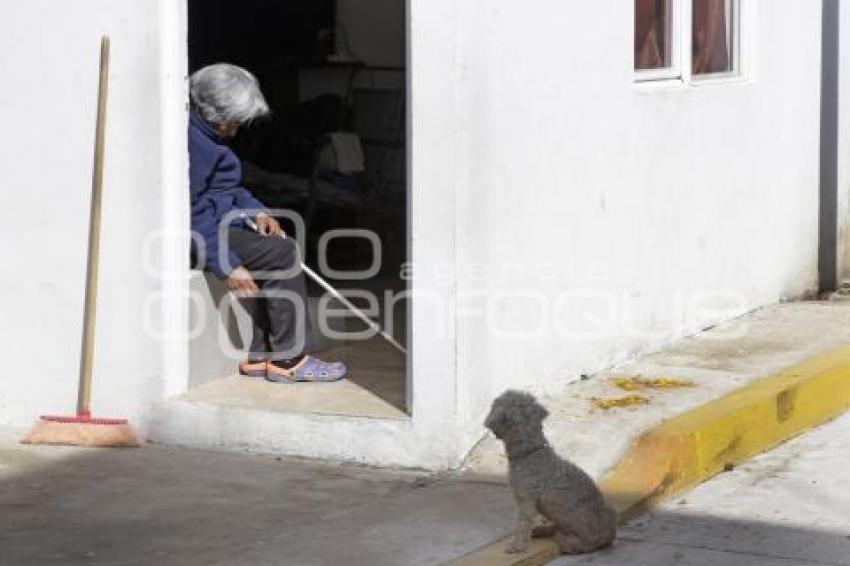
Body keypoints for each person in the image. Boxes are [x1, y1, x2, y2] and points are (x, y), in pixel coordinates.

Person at [189, 63, 347, 383]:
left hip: (217, 224)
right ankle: (289, 359)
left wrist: (256, 211)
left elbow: (227, 189)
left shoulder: (208, 138)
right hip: (196, 235)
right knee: (281, 253)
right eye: (231, 122)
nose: (234, 131)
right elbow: (191, 213)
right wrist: (226, 265)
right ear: (212, 111)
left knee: (271, 248)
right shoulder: (196, 145)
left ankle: (263, 353)